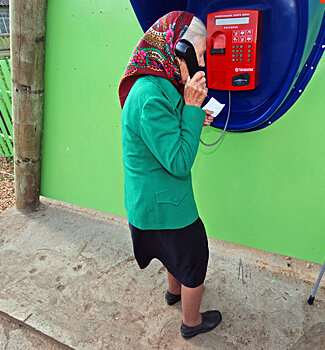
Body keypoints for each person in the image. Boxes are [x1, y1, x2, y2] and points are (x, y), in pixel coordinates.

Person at [118, 11, 221, 339]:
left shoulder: (159, 85)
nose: (203, 61)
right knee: (193, 259)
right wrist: (190, 109)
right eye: (200, 53)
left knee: (170, 253)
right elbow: (178, 161)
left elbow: (165, 132)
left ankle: (173, 294)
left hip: (152, 202)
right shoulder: (149, 95)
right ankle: (191, 324)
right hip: (163, 207)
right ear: (179, 51)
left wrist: (192, 114)